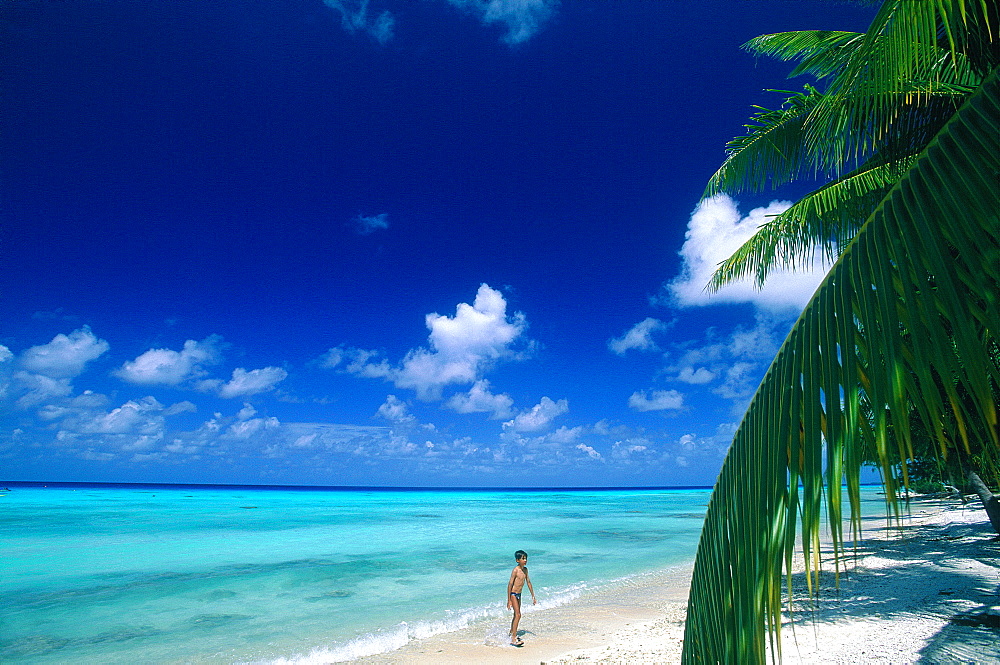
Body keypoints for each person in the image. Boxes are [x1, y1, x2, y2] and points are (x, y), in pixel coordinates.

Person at [506, 549, 536, 647]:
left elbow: (528, 582)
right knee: (518, 615)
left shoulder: (525, 570)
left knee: (516, 615)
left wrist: (533, 596)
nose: (525, 560)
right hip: (513, 594)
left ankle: (511, 633)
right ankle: (513, 638)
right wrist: (509, 600)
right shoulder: (516, 570)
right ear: (517, 560)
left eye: (526, 558)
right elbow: (510, 584)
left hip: (519, 595)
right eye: (523, 558)